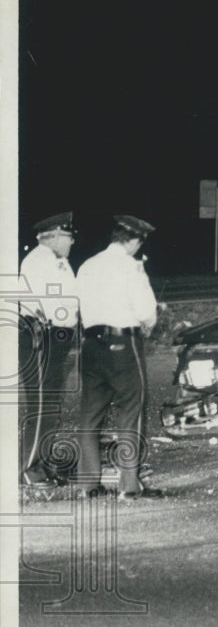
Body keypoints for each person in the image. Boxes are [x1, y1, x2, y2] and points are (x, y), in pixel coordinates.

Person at [74, 215, 163, 500]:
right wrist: (149, 323)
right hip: (123, 344)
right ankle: (129, 485)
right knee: (131, 412)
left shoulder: (87, 265)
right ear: (135, 241)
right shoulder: (131, 266)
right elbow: (145, 309)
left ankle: (88, 485)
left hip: (90, 343)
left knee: (90, 416)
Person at [18, 212, 79, 487]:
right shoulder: (38, 261)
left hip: (59, 336)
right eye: (68, 237)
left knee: (52, 404)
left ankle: (45, 461)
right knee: (41, 405)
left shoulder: (61, 262)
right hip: (41, 336)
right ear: (52, 235)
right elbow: (46, 304)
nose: (72, 242)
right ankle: (30, 468)